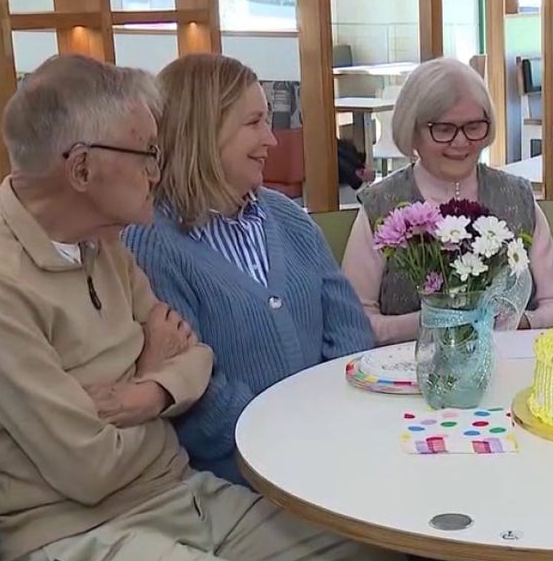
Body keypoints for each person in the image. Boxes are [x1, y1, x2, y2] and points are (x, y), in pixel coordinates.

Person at [0, 54, 403, 561]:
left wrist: (148, 391)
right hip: (77, 537)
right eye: (144, 154)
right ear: (82, 169)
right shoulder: (0, 283)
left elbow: (197, 359)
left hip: (178, 496)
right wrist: (166, 400)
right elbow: (88, 468)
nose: (157, 172)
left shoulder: (103, 241)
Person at [122, 53, 375, 486]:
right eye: (254, 123)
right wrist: (286, 438)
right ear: (203, 133)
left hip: (338, 447)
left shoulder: (288, 217)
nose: (271, 141)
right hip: (240, 477)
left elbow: (350, 330)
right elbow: (193, 389)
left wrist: (334, 422)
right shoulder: (151, 243)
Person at [342, 57, 553, 345]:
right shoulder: (380, 207)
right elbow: (355, 322)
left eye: (473, 126)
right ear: (411, 131)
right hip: (404, 379)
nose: (461, 142)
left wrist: (517, 321)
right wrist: (440, 320)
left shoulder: (517, 198)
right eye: (443, 129)